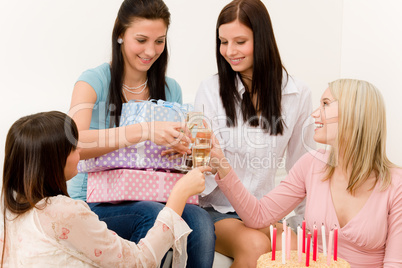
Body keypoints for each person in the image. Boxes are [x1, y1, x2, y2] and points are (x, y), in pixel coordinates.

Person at [67, 0, 215, 266]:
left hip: (153, 195)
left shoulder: (171, 90)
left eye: (159, 41)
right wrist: (144, 131)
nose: (151, 50)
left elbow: (168, 163)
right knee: (152, 214)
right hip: (92, 202)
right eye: (141, 39)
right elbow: (73, 141)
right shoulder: (93, 81)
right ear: (121, 35)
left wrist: (180, 149)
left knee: (201, 221)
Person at [211, 79, 402, 267]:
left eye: (325, 104)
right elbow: (258, 216)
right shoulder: (312, 164)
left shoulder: (396, 184)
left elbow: (394, 263)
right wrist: (222, 164)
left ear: (354, 113)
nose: (315, 114)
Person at [0, 111, 211, 267]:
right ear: (53, 162)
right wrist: (179, 193)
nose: (81, 150)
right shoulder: (64, 212)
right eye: (73, 148)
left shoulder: (10, 208)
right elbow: (139, 262)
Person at [194, 0, 314, 266]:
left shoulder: (297, 94)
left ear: (262, 40)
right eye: (223, 42)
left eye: (240, 41)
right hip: (217, 210)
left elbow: (303, 167)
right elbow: (202, 169)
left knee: (293, 246)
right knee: (256, 245)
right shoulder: (211, 90)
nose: (229, 51)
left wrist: (299, 224)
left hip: (264, 211)